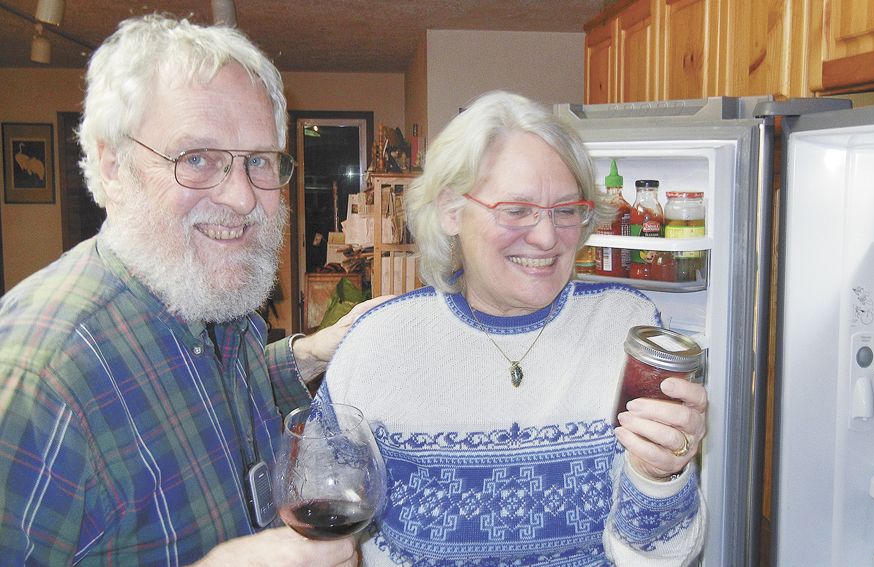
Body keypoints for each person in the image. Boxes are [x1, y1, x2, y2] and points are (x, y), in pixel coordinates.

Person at [0, 14, 385, 566]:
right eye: (197, 159)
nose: (242, 198)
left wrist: (307, 354)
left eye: (258, 161)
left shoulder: (207, 302)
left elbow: (200, 389)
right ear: (112, 167)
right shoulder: (39, 377)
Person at [319, 90, 708, 566]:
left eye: (566, 210)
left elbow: (662, 557)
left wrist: (660, 477)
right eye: (516, 210)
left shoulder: (625, 327)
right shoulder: (380, 344)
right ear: (450, 210)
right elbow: (321, 521)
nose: (547, 237)